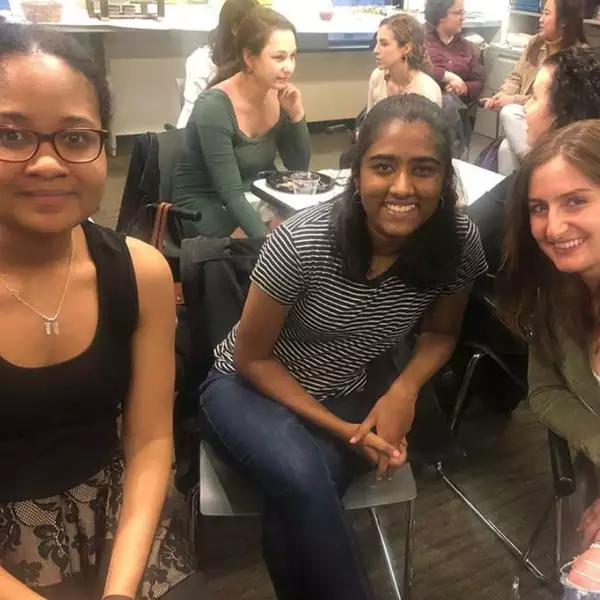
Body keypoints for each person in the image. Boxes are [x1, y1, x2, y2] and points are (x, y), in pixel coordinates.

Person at [198, 93, 487, 600]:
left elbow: (441, 334)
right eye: (382, 167)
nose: (402, 187)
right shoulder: (303, 241)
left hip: (347, 386)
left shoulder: (458, 239)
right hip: (248, 387)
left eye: (423, 169)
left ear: (445, 178)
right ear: (357, 174)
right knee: (303, 479)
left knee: (301, 497)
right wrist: (347, 430)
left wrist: (404, 390)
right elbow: (251, 358)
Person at [0, 23, 203, 600]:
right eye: (12, 136)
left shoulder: (140, 272)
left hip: (120, 527)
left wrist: (118, 592)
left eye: (74, 137)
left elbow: (149, 444)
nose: (46, 163)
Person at [499, 119, 600, 596]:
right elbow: (543, 389)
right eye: (539, 208)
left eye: (576, 200)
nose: (553, 227)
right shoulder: (558, 291)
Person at [172, 7, 310, 239]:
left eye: (293, 56)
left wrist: (297, 116)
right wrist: (269, 244)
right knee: (275, 252)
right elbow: (230, 194)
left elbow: (298, 168)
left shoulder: (278, 94)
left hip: (256, 193)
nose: (289, 67)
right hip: (207, 202)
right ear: (249, 57)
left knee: (310, 232)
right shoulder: (215, 106)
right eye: (279, 57)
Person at [468, 47, 600, 274]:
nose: (525, 108)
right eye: (539, 208)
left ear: (564, 113)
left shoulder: (528, 186)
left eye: (535, 98)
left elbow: (469, 234)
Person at [481, 0, 586, 175]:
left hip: (550, 124)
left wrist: (512, 101)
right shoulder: (535, 44)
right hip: (525, 118)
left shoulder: (575, 58)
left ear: (562, 21)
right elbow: (516, 76)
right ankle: (518, 194)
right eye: (541, 13)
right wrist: (502, 95)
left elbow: (553, 101)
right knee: (506, 148)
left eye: (546, 13)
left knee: (510, 113)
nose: (540, 19)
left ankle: (534, 167)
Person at [176, 0, 258, 129]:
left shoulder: (255, 58)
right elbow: (197, 117)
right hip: (201, 133)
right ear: (235, 28)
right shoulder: (201, 61)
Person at [367, 13, 442, 113]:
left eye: (384, 44)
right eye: (377, 43)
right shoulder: (378, 76)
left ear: (406, 48)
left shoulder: (426, 90)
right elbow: (369, 123)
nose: (375, 50)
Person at [424, 0, 484, 104]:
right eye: (457, 13)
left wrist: (463, 87)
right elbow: (414, 68)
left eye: (462, 13)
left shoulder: (467, 46)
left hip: (456, 104)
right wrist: (445, 76)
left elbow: (478, 82)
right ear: (440, 15)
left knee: (449, 102)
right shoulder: (419, 39)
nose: (462, 18)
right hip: (423, 100)